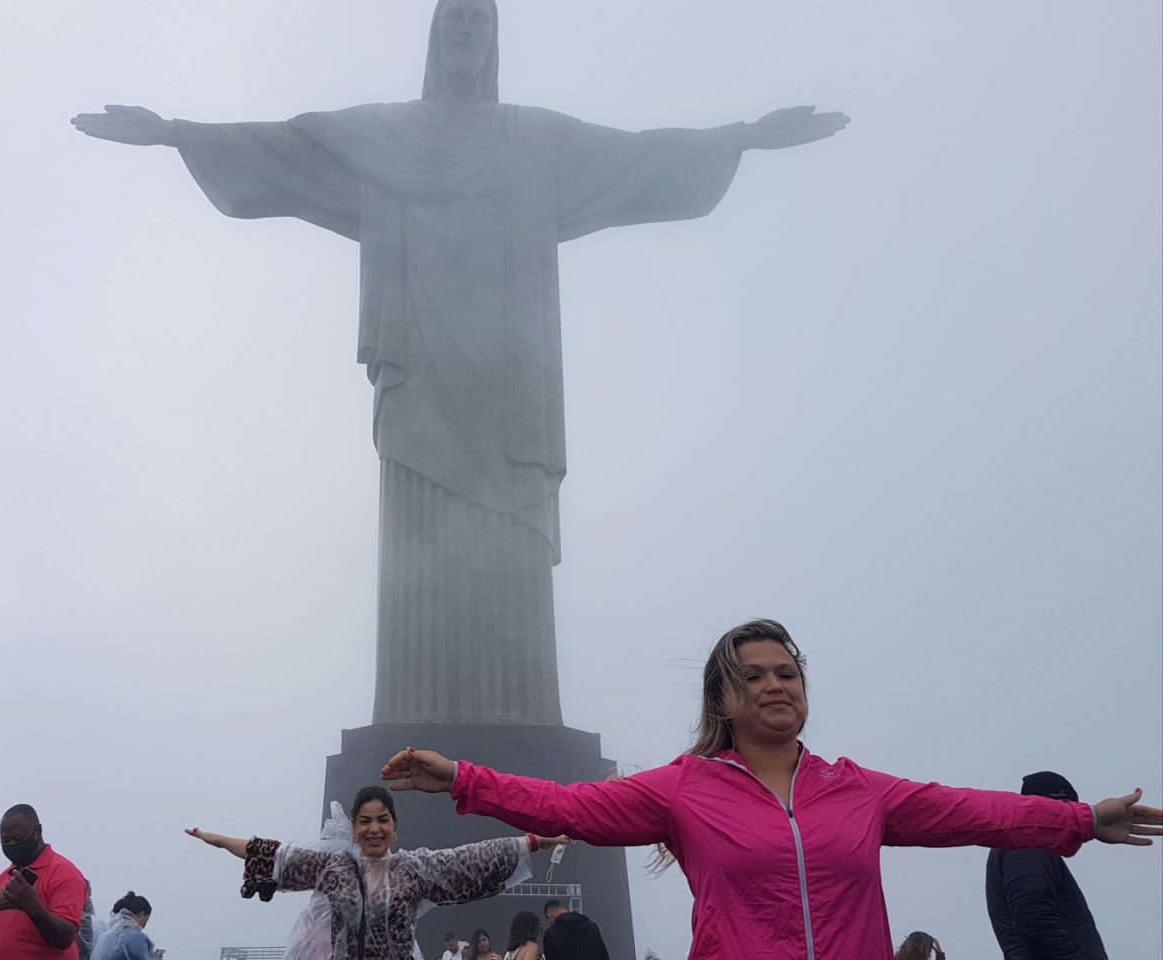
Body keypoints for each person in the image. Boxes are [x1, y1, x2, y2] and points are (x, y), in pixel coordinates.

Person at [71, 0, 849, 729]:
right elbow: (289, 145)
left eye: (481, 18)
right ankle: (414, 720)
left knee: (508, 540)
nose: (468, 31)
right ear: (437, 37)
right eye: (456, 19)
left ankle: (522, 727)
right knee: (420, 552)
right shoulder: (386, 136)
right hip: (421, 378)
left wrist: (742, 136)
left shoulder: (536, 141)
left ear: (494, 38)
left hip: (510, 387)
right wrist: (175, 131)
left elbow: (637, 158)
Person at [380, 619, 1163, 959]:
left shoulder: (858, 790)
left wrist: (1081, 819)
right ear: (724, 701)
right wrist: (465, 776)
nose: (774, 686)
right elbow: (569, 808)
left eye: (787, 673)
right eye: (753, 677)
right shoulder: (686, 790)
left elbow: (971, 809)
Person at [185, 785, 569, 960]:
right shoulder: (333, 868)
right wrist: (217, 840)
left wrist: (533, 841)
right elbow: (277, 855)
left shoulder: (413, 868)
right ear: (354, 828)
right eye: (365, 821)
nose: (374, 828)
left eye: (382, 820)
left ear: (394, 827)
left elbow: (467, 860)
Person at [986, 771, 1109, 959]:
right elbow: (1031, 913)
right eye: (1069, 811)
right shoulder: (1029, 842)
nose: (1074, 822)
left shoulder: (1019, 844)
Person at [0, 803, 88, 960]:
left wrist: (31, 906)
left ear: (37, 831)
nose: (11, 845)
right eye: (5, 841)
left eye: (17, 838)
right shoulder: (4, 877)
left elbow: (65, 936)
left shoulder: (64, 873)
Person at [94, 890, 157, 960]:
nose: (144, 926)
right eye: (146, 919)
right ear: (141, 915)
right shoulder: (136, 937)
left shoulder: (104, 936)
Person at [541, 900, 609, 960]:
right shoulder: (592, 927)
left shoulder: (551, 934)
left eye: (549, 921)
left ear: (549, 915)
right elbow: (603, 956)